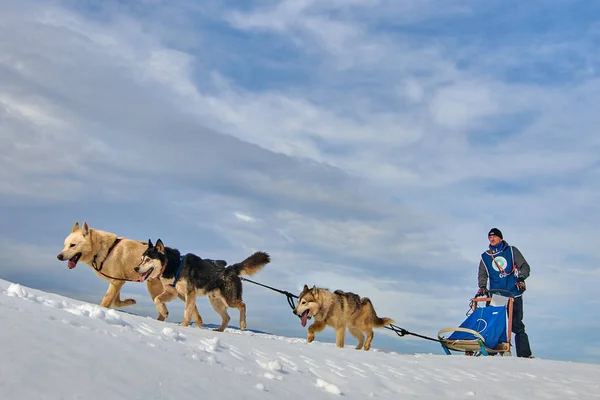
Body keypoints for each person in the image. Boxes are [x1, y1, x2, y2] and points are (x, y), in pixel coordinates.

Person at [476, 228, 533, 358]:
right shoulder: (485, 256)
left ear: (500, 238)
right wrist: (482, 286)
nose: (492, 239)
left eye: (495, 236)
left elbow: (525, 266)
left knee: (517, 325)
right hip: (496, 295)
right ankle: (491, 351)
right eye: (490, 237)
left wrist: (521, 278)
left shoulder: (511, 251)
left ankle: (525, 355)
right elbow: (482, 275)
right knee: (493, 324)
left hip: (513, 293)